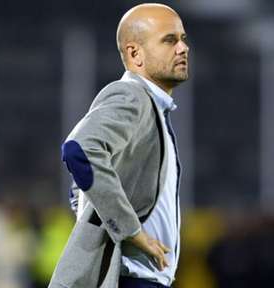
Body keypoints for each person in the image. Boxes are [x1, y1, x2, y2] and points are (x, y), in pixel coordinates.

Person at [48, 3, 189, 288]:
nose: (183, 48)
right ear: (135, 53)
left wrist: (95, 208)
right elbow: (79, 149)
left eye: (183, 39)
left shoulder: (152, 107)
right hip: (128, 278)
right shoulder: (132, 95)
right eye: (169, 40)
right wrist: (130, 230)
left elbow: (82, 183)